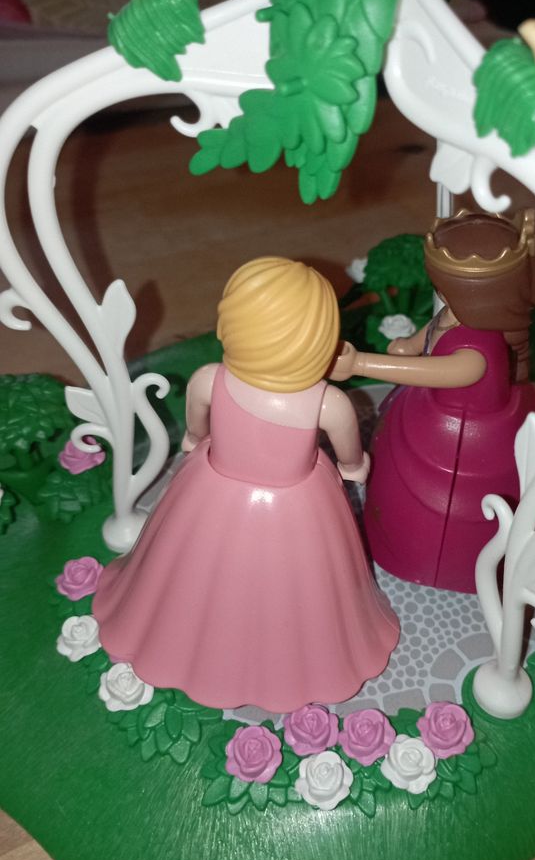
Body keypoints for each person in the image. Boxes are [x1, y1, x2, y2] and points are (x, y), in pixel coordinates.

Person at [93, 257, 399, 712]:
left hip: (210, 494)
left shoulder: (208, 380)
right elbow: (351, 458)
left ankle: (197, 646)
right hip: (300, 509)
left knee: (193, 574)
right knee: (304, 589)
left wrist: (196, 441)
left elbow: (195, 432)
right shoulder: (329, 403)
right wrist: (355, 469)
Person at [333, 209, 535, 594]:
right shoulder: (457, 312)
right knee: (397, 485)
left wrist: (360, 363)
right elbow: (436, 328)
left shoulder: (476, 356)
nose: (442, 296)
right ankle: (398, 545)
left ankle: (439, 570)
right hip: (427, 413)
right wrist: (411, 343)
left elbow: (433, 371)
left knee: (441, 511)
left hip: (461, 442)